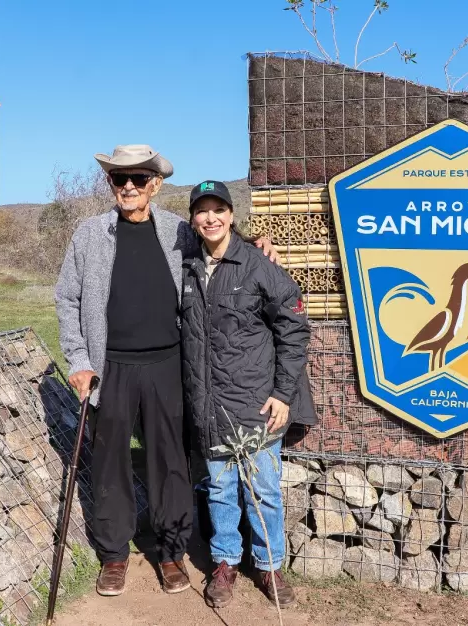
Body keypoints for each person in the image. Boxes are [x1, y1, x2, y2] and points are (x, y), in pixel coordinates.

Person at [54, 145, 279, 597]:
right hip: (110, 366)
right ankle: (114, 555)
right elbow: (67, 299)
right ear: (111, 185)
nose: (130, 187)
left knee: (170, 461)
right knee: (110, 464)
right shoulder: (89, 234)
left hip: (167, 364)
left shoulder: (178, 230)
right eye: (121, 180)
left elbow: (220, 245)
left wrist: (256, 245)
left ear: (155, 184)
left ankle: (171, 552)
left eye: (139, 179)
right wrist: (78, 361)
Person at [179, 180, 316, 609]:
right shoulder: (185, 269)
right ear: (193, 219)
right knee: (219, 490)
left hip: (257, 402)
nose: (211, 217)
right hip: (209, 405)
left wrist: (283, 393)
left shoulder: (257, 264)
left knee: (264, 491)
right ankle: (225, 563)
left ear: (232, 215)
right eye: (202, 211)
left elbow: (294, 328)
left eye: (219, 208)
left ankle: (270, 565)